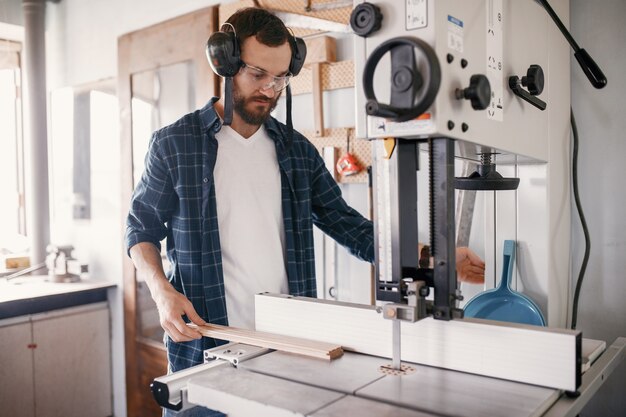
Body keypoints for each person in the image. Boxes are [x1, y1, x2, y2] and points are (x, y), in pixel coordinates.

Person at [126, 7, 485, 416]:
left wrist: (431, 259)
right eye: (257, 74)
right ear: (225, 64)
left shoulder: (297, 152)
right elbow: (140, 229)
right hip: (204, 354)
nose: (269, 89)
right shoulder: (174, 144)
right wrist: (161, 290)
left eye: (280, 78)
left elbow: (352, 229)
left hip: (286, 353)